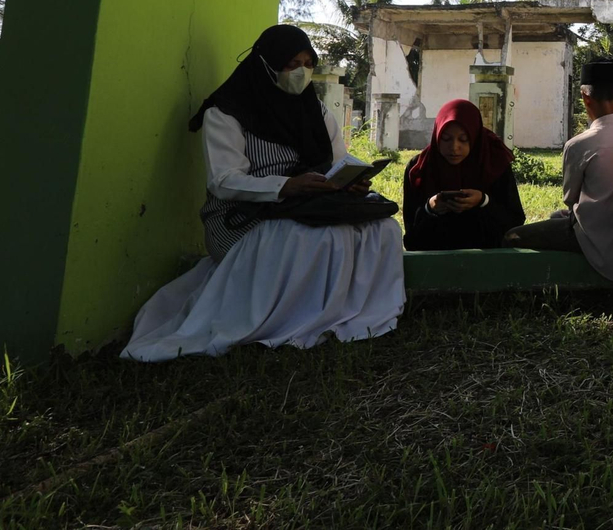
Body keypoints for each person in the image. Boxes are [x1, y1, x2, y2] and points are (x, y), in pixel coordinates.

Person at [122, 25, 404, 361]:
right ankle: (299, 320)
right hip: (239, 218)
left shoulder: (316, 111)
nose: (300, 71)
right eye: (290, 63)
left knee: (382, 229)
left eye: (307, 62)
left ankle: (355, 315)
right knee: (313, 237)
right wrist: (285, 185)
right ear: (265, 63)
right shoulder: (226, 112)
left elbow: (338, 160)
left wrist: (349, 180)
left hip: (311, 204)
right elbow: (223, 180)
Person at [502, 58, 613, 283]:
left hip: (593, 236)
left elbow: (570, 199)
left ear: (585, 98)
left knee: (513, 236)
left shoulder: (579, 145)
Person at [402, 99, 526, 250]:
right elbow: (411, 234)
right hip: (434, 258)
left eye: (463, 139)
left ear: (474, 138)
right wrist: (429, 208)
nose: (454, 147)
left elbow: (515, 222)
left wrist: (483, 201)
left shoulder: (493, 163)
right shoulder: (420, 168)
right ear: (436, 136)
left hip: (487, 257)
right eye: (446, 139)